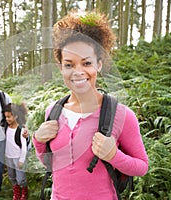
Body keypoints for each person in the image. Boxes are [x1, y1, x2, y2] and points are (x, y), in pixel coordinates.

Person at [33, 11, 149, 200]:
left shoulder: (121, 115)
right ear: (61, 67)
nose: (78, 72)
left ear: (99, 64)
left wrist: (114, 155)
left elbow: (142, 166)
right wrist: (39, 141)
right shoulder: (52, 112)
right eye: (69, 65)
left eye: (86, 63)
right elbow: (50, 165)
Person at [3, 103, 29, 200]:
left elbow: (24, 146)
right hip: (8, 157)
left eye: (9, 117)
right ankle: (16, 192)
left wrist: (21, 160)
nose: (7, 119)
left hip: (18, 157)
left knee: (20, 178)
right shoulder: (6, 127)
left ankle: (24, 191)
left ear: (16, 116)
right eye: (6, 117)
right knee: (12, 176)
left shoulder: (21, 129)